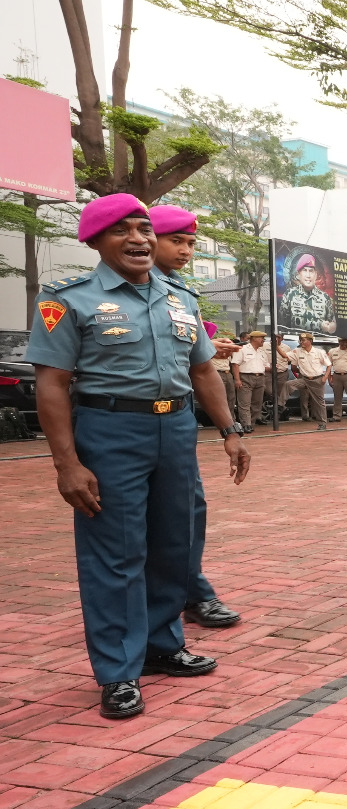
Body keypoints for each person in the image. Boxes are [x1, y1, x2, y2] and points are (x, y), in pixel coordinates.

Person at [24, 194, 249, 719]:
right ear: (96, 241)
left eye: (144, 228)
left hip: (175, 429)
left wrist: (230, 430)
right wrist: (67, 464)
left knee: (175, 542)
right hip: (109, 429)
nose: (139, 239)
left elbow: (203, 372)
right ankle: (118, 672)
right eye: (122, 230)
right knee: (116, 552)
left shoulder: (180, 297)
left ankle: (162, 646)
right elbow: (52, 384)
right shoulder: (69, 299)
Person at [148, 204, 244, 630]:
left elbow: (192, 355)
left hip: (175, 420)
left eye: (190, 242)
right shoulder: (102, 293)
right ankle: (145, 610)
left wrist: (230, 429)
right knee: (131, 523)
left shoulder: (181, 290)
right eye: (177, 240)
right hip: (118, 422)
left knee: (188, 511)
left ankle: (190, 592)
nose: (186, 250)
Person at [279, 333, 330, 429]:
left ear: (310, 341)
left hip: (317, 379)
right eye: (300, 340)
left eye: (304, 340)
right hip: (304, 379)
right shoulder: (297, 351)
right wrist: (276, 346)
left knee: (319, 403)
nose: (301, 342)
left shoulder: (319, 352)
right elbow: (284, 356)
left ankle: (322, 423)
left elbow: (329, 365)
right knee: (288, 384)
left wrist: (325, 377)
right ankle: (280, 405)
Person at [281, 254, 336, 334]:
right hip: (296, 343)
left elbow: (332, 325)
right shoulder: (289, 295)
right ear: (298, 274)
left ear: (316, 274)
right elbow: (282, 325)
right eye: (305, 270)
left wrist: (329, 327)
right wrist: (319, 325)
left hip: (319, 344)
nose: (308, 275)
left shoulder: (325, 298)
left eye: (311, 271)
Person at [235, 331, 270, 431]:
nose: (263, 340)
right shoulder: (243, 349)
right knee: (244, 402)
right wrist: (237, 379)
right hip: (246, 377)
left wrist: (272, 368)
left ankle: (252, 423)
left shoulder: (262, 352)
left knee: (257, 403)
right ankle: (246, 424)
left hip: (260, 377)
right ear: (254, 338)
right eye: (261, 338)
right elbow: (235, 364)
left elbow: (266, 366)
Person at [270, 332, 291, 420]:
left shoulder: (286, 348)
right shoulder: (265, 346)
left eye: (279, 337)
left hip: (281, 373)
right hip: (269, 373)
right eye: (275, 337)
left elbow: (289, 360)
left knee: (280, 393)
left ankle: (279, 414)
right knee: (270, 391)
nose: (277, 339)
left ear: (282, 339)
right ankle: (280, 410)